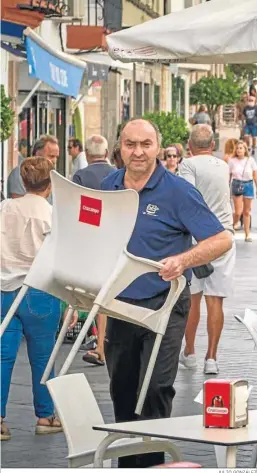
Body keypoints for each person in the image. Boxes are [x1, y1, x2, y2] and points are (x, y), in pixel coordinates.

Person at [101, 118, 232, 468]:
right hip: (119, 305)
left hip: (166, 303)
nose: (138, 152)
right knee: (122, 389)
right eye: (130, 144)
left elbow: (222, 239)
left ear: (158, 148)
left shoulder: (177, 190)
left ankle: (151, 463)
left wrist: (183, 259)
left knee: (157, 387)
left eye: (146, 144)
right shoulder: (108, 185)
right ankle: (129, 463)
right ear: (120, 146)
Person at [1, 157, 77, 441]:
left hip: (5, 290)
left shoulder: (4, 209)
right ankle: (45, 416)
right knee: (44, 359)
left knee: (2, 357)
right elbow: (62, 262)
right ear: (49, 184)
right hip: (41, 292)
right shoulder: (51, 214)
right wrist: (71, 303)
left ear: (23, 180)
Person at [179, 124, 235, 375]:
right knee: (216, 301)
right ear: (212, 146)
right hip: (223, 236)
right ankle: (211, 358)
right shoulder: (223, 166)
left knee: (193, 300)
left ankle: (189, 352)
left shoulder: (188, 165)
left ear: (190, 146)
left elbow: (188, 197)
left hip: (197, 237)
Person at [73, 135, 115, 365]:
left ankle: (100, 344)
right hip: (115, 240)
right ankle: (101, 342)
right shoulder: (118, 173)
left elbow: (78, 210)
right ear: (106, 153)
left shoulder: (81, 175)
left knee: (94, 292)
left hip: (91, 240)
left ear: (87, 155)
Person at [7, 135, 59, 199]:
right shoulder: (19, 173)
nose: (54, 161)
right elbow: (18, 205)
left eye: (56, 157)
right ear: (38, 154)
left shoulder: (52, 175)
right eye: (51, 156)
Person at [229, 140, 257, 242]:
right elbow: (229, 175)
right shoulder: (232, 161)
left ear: (245, 149)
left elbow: (255, 175)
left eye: (241, 148)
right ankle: (232, 227)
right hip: (236, 184)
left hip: (249, 185)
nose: (238, 150)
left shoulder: (250, 160)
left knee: (246, 211)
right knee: (238, 212)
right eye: (237, 148)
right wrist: (227, 188)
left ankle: (247, 234)